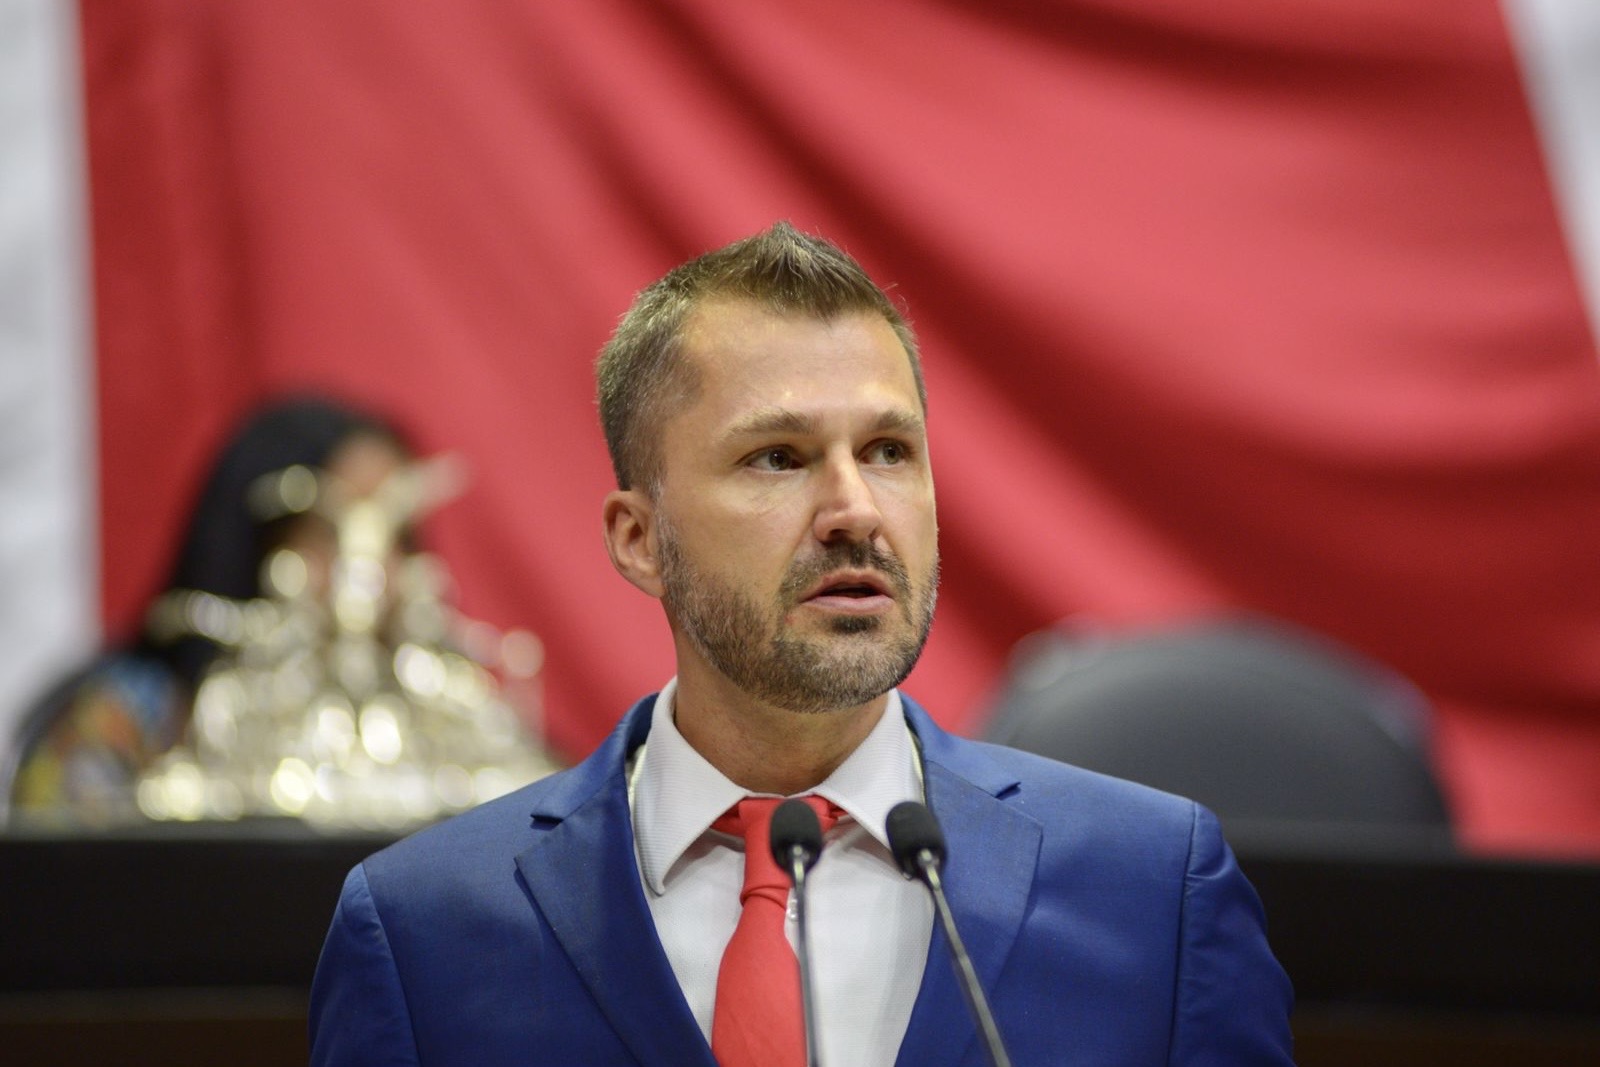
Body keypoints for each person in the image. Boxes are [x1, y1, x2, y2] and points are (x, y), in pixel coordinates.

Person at [308, 223, 1294, 1065]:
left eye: (888, 450)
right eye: (778, 457)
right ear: (640, 539)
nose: (855, 509)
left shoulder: (1153, 893)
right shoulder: (423, 931)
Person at [5, 397, 410, 823]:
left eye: (396, 533)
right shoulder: (126, 718)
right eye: (330, 531)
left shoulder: (436, 721)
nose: (373, 570)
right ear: (253, 542)